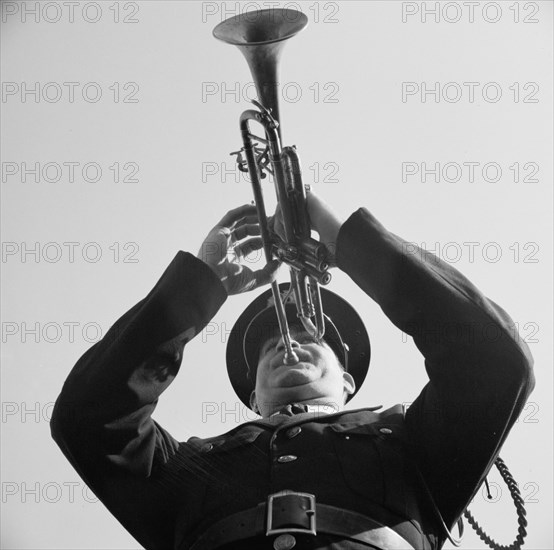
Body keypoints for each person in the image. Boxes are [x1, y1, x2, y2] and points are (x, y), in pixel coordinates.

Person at [51, 191, 534, 550]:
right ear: (253, 396)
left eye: (310, 339)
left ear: (347, 381)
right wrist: (202, 282)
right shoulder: (185, 467)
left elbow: (492, 362)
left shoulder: (413, 444)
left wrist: (350, 243)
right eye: (269, 349)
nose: (288, 343)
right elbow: (88, 416)